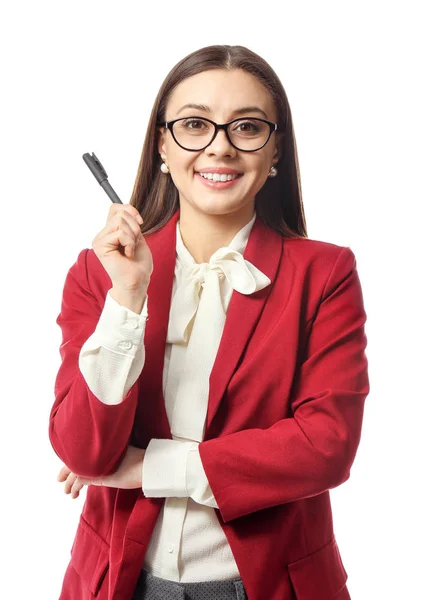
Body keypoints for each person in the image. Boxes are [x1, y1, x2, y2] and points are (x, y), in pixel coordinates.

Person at [49, 44, 370, 600]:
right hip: (123, 582)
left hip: (270, 585)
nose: (219, 147)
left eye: (246, 127)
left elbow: (326, 445)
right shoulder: (101, 272)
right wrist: (128, 299)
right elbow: (83, 453)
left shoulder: (325, 273)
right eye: (195, 124)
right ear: (164, 147)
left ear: (275, 152)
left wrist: (149, 467)